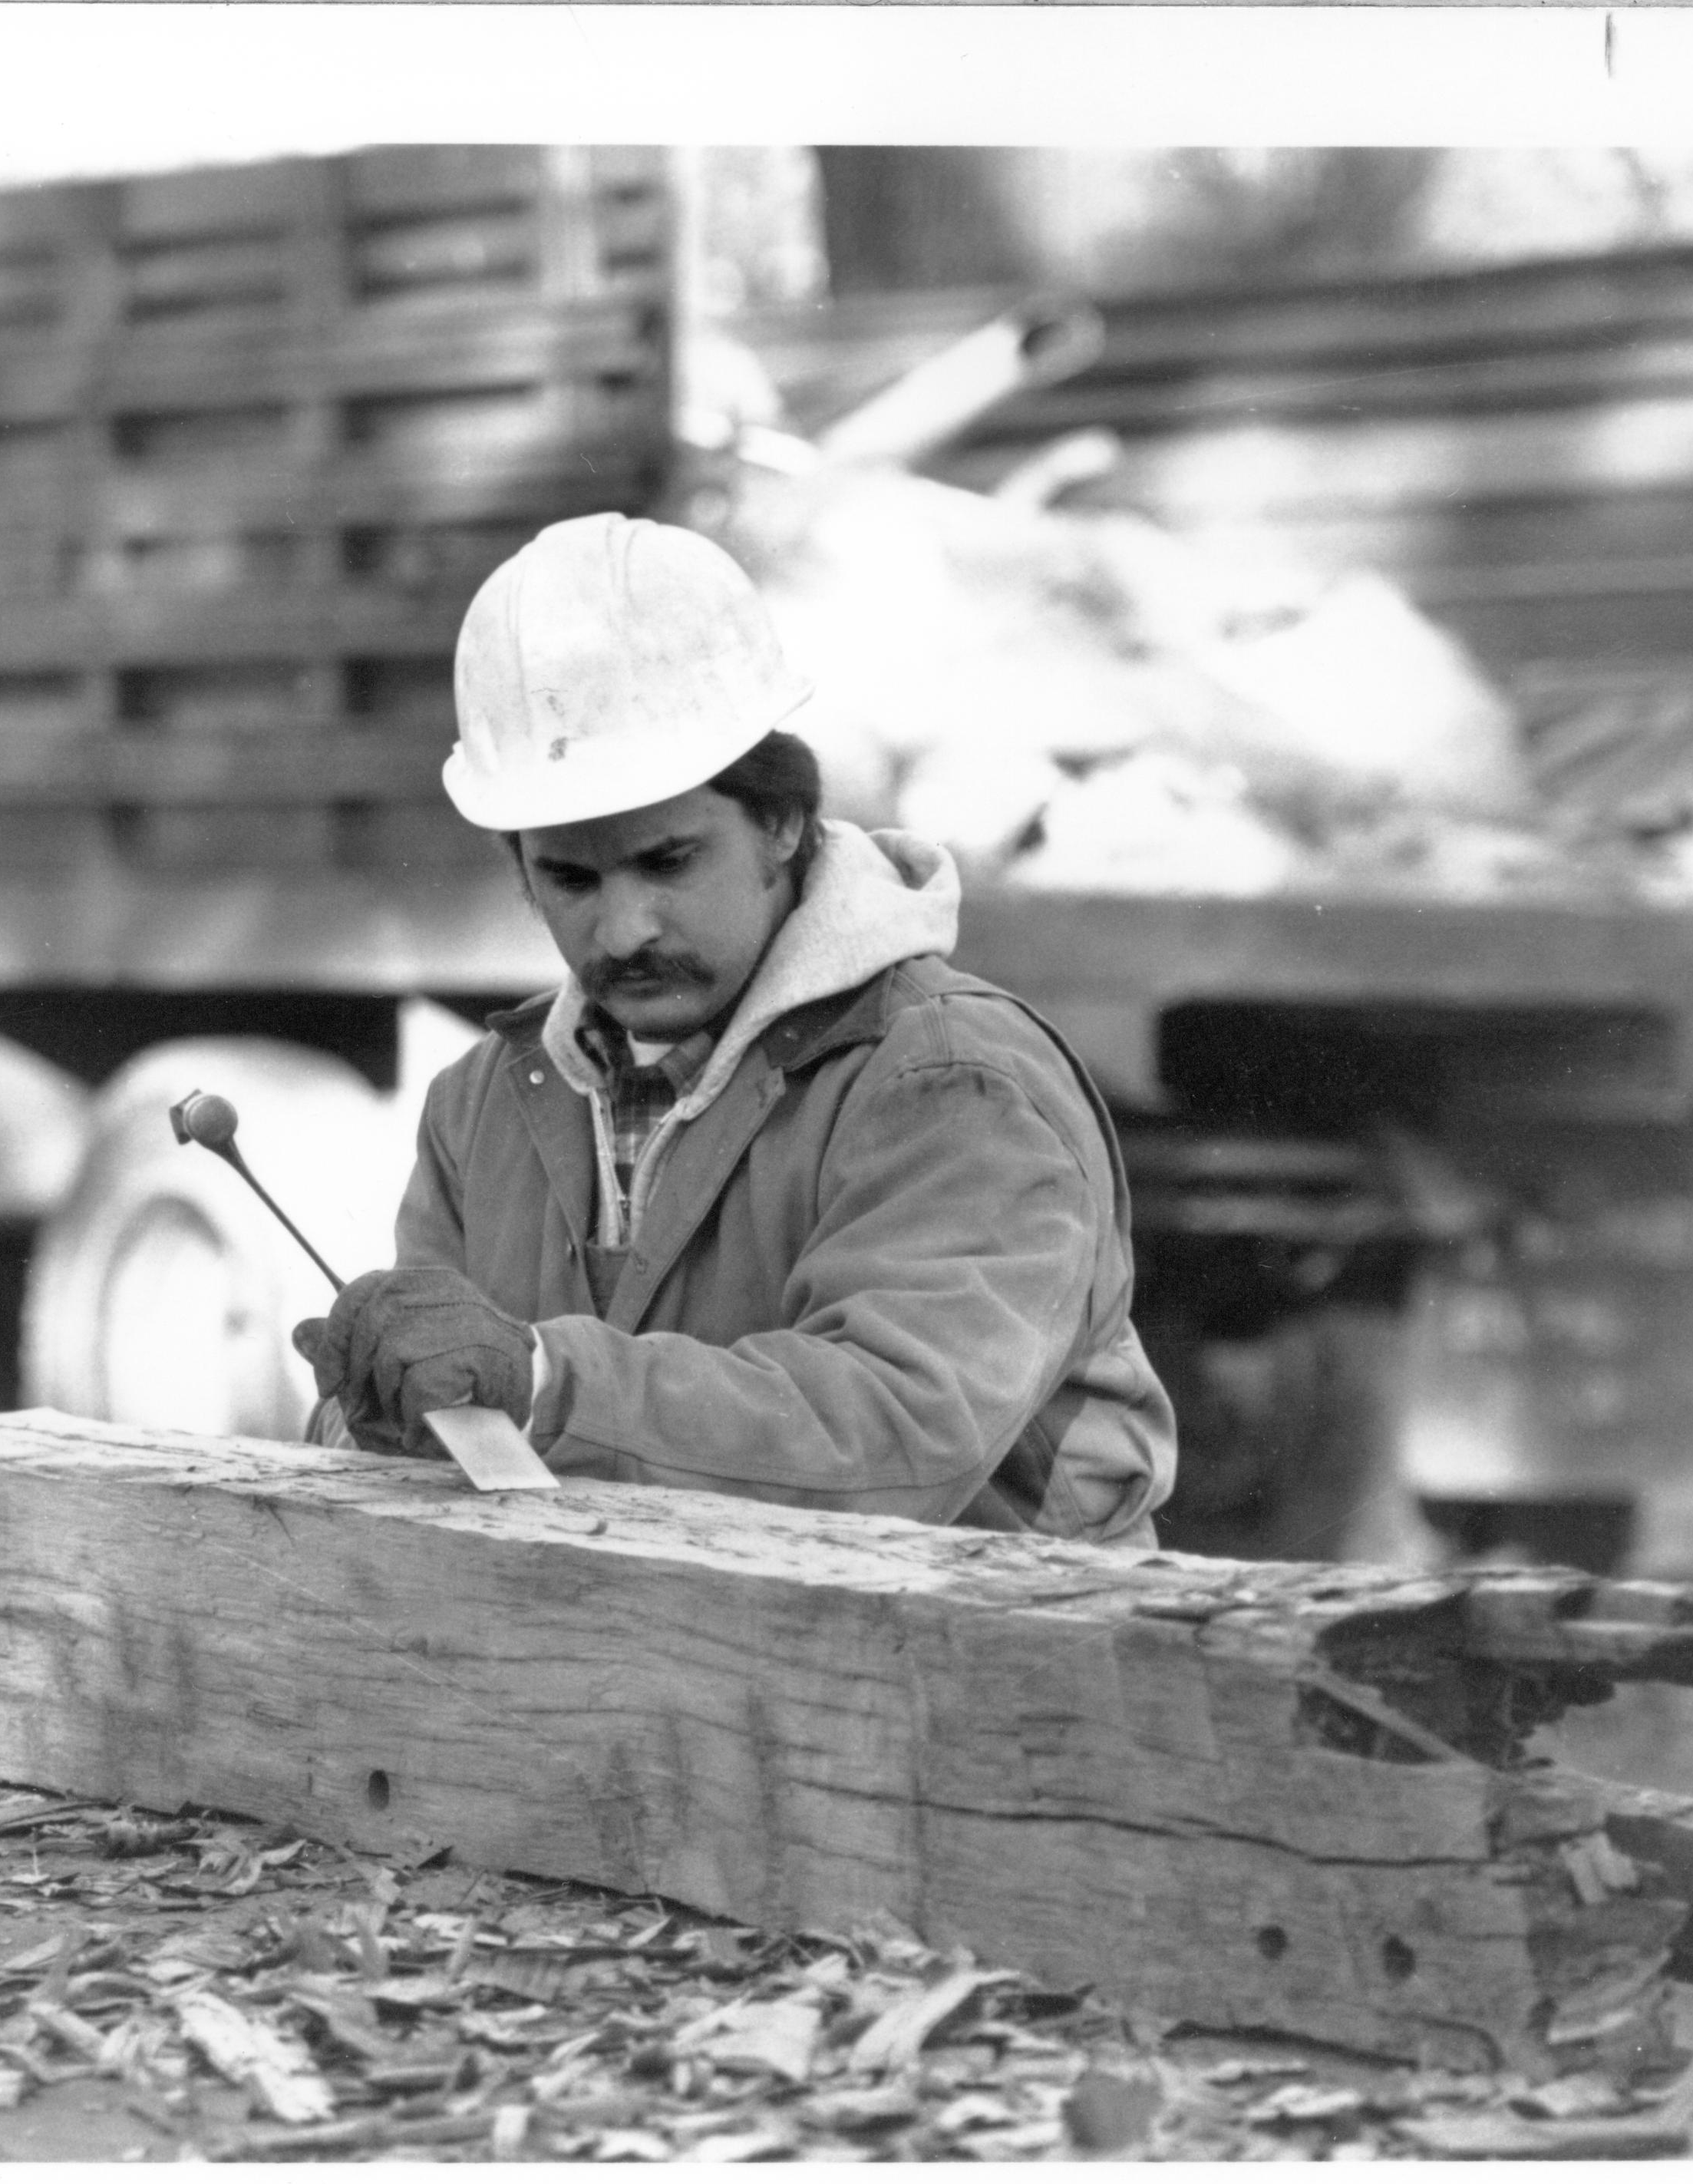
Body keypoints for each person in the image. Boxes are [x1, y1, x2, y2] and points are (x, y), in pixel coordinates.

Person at [295, 513, 1176, 1546]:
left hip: (986, 1677)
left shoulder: (955, 1081)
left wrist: (543, 1384)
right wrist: (381, 1414)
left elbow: (897, 1434)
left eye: (668, 861)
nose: (623, 930)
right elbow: (461, 1461)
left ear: (784, 821)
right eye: (571, 878)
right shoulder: (485, 1103)